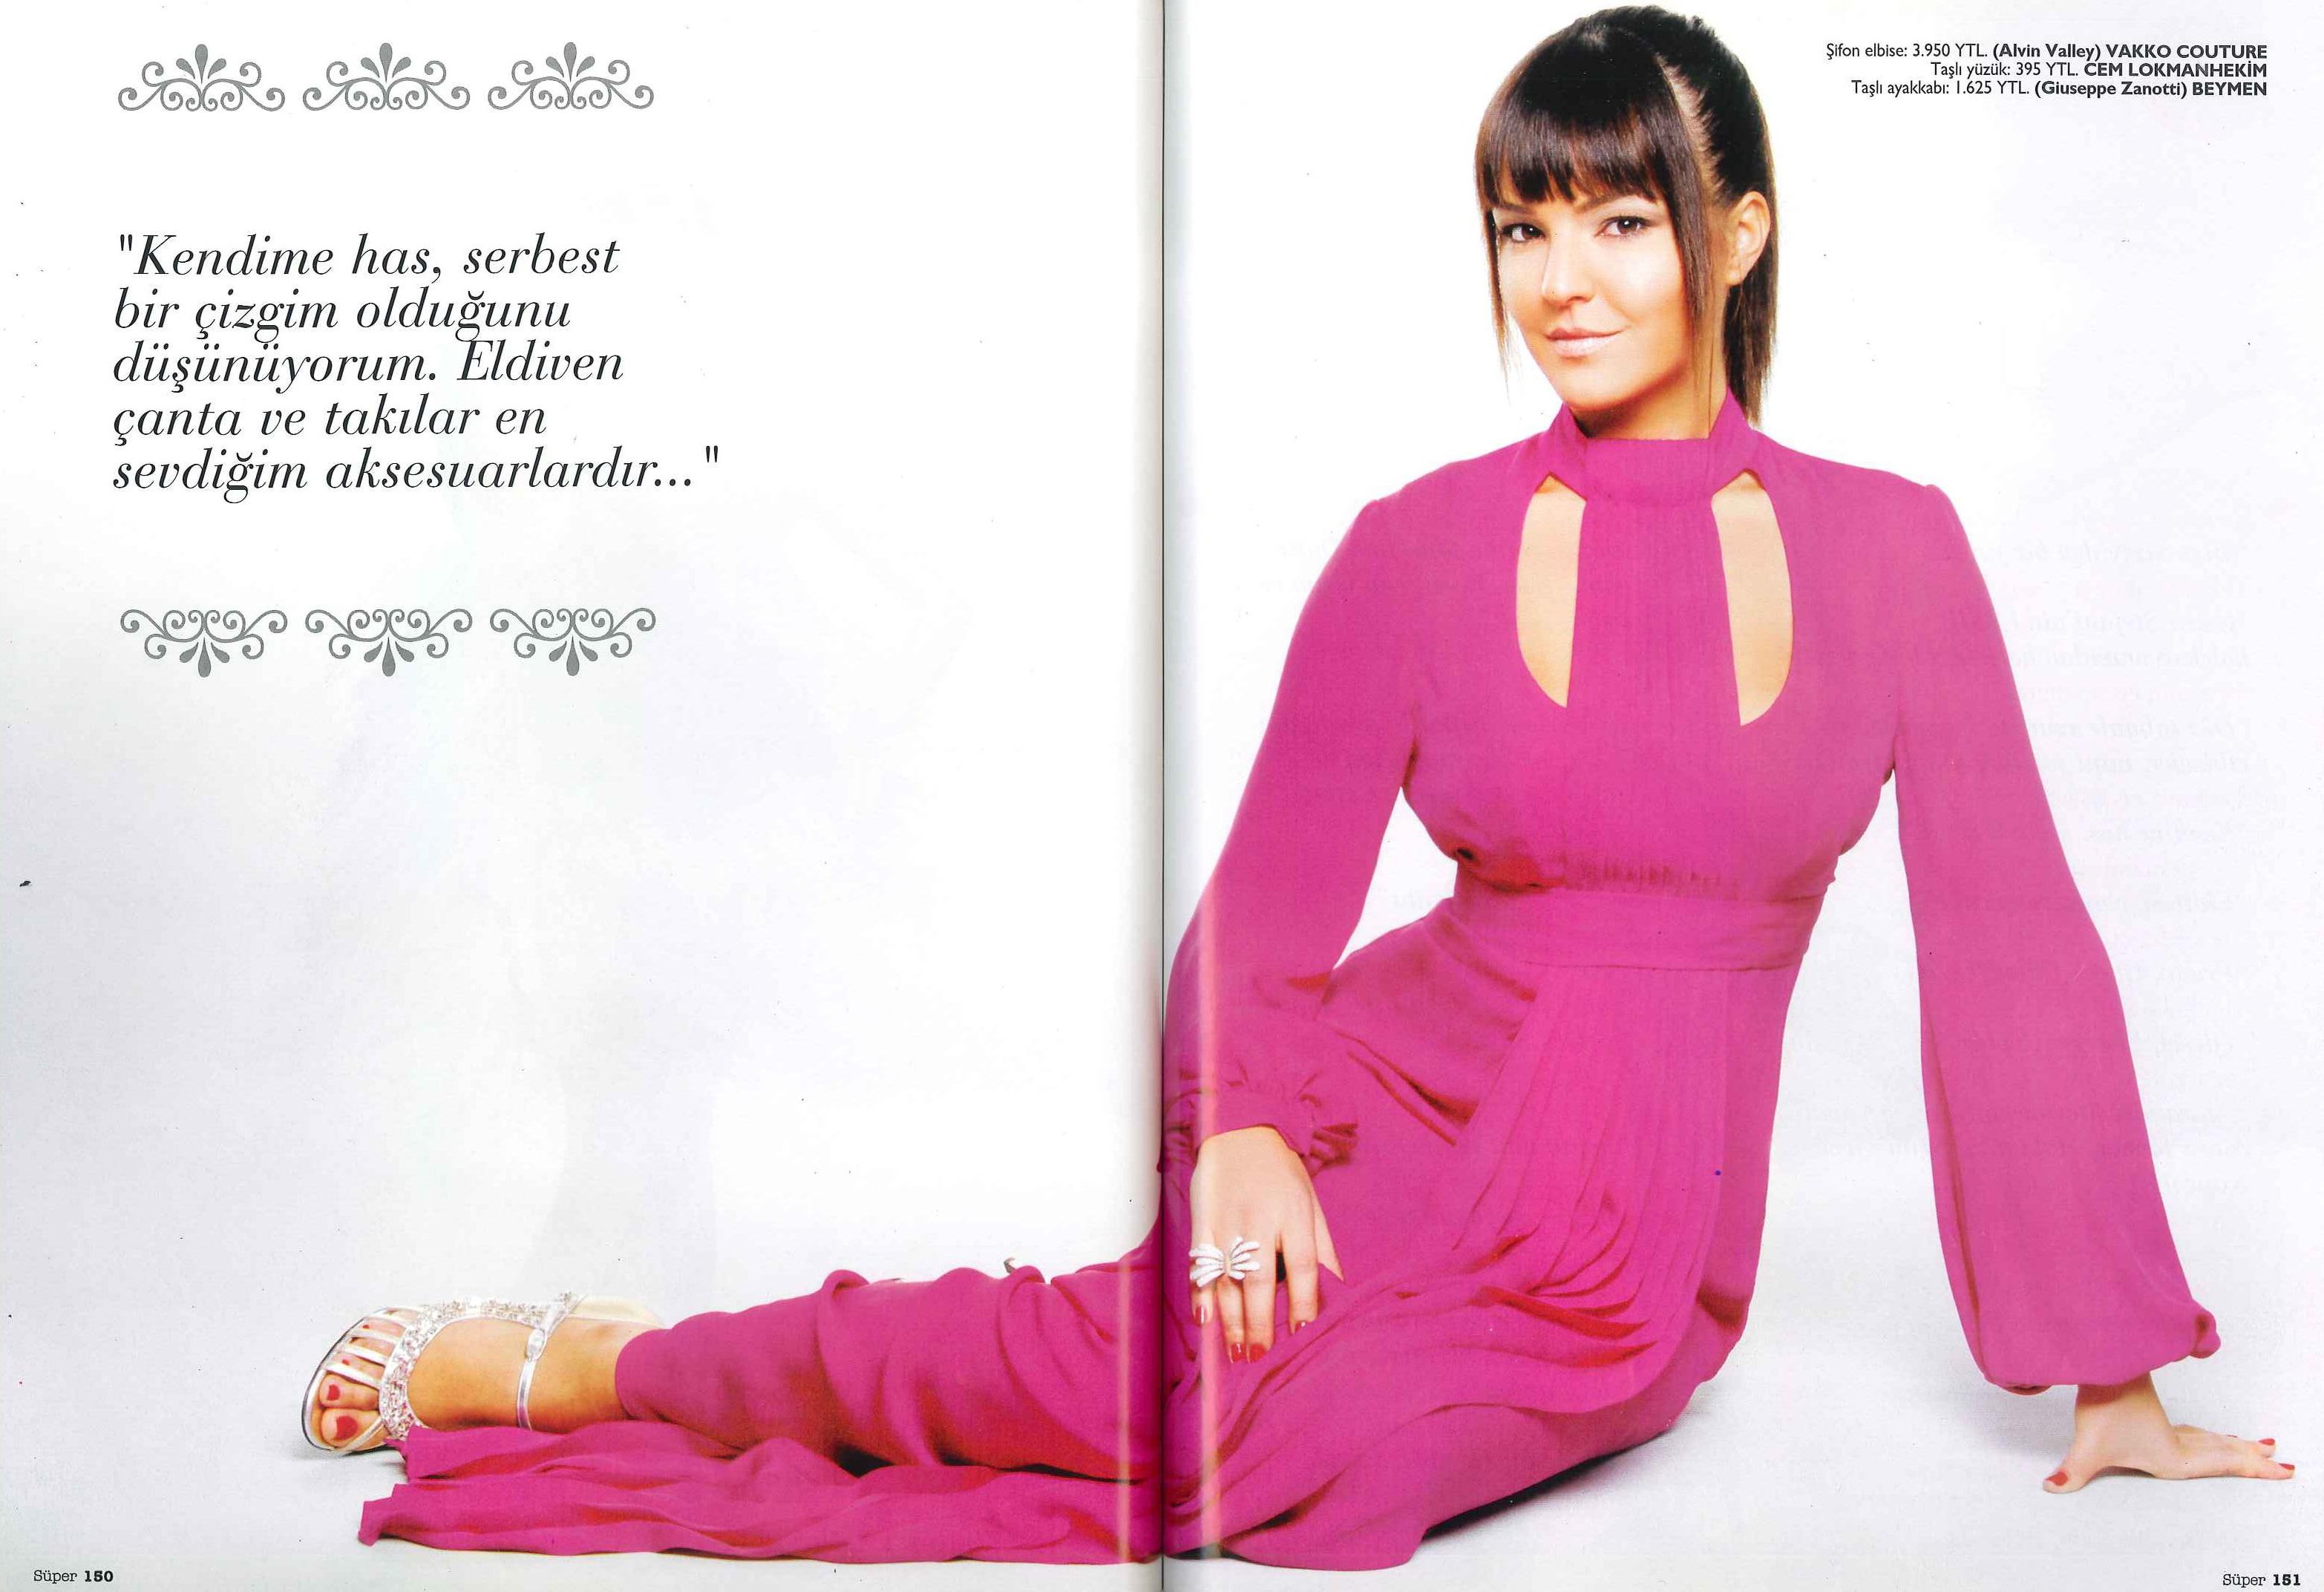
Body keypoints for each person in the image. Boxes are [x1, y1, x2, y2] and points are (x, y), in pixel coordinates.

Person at [298, 7, 2285, 1570]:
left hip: (1628, 1255)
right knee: (1099, 1364)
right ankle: (599, 1360)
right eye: (1521, 226)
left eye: (1618, 221)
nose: (1561, 279)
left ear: (1736, 235)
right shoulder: (1417, 545)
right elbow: (1267, 892)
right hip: (1370, 1120)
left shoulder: (1891, 546)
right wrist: (1237, 1123)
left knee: (1327, 1459)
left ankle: (647, 1372)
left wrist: (2106, 1371)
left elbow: (2014, 945)